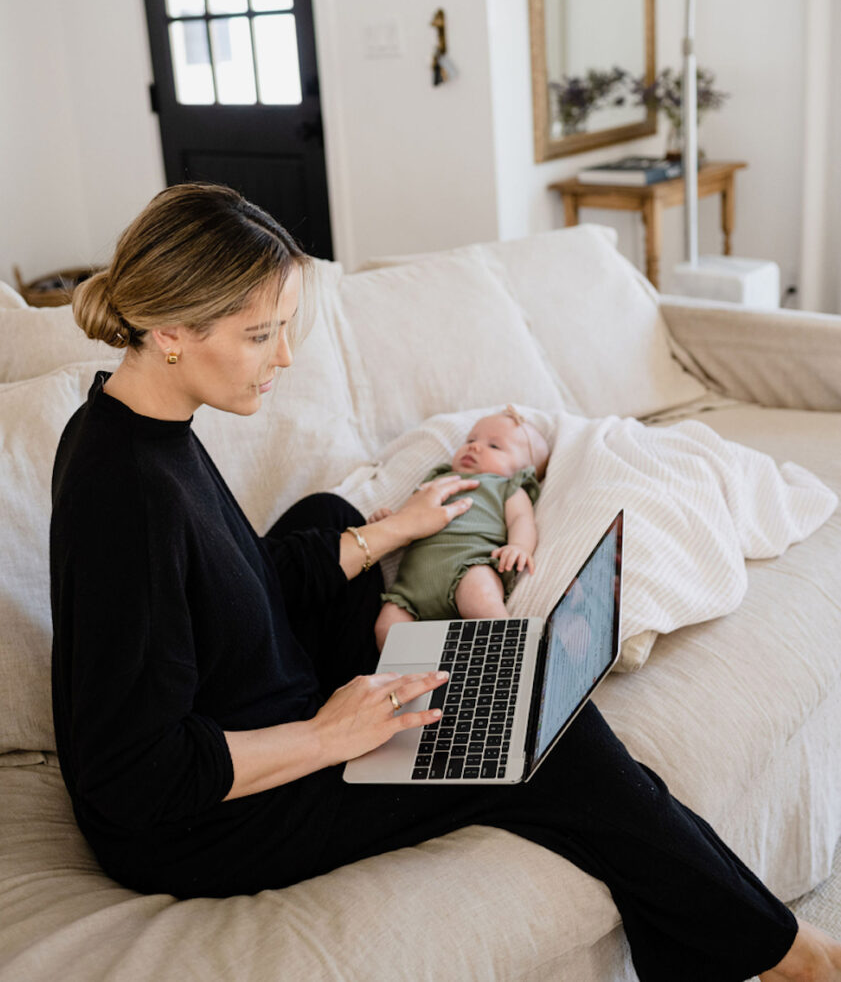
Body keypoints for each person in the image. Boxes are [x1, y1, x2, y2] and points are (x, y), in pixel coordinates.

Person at [49, 182, 841, 982]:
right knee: (547, 733)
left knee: (328, 517)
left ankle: (704, 936)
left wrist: (394, 530)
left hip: (248, 701)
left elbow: (231, 574)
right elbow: (135, 778)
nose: (285, 357)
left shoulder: (137, 422)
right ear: (170, 331)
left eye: (286, 328)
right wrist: (332, 735)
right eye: (261, 336)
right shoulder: (128, 496)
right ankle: (789, 958)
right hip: (208, 819)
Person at [373, 408, 551, 648]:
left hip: (467, 567)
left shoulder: (506, 487)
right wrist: (389, 521)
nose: (474, 447)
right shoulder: (437, 481)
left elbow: (521, 519)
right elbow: (409, 519)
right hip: (410, 588)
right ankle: (422, 675)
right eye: (471, 440)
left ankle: (511, 653)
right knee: (386, 629)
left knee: (481, 597)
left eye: (494, 446)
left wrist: (519, 545)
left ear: (523, 470)